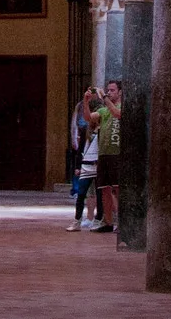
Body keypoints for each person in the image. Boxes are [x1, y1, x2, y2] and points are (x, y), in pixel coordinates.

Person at [87, 80, 121, 233]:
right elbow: (88, 118)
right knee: (104, 188)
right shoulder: (103, 110)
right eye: (108, 90)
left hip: (117, 153)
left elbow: (117, 114)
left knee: (117, 188)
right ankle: (108, 222)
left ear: (120, 92)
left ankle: (122, 222)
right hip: (103, 153)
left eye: (112, 90)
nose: (109, 93)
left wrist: (105, 99)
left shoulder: (121, 107)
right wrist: (85, 101)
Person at [66, 93, 101, 231]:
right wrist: (77, 166)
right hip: (86, 165)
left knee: (99, 194)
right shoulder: (84, 129)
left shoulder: (102, 130)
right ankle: (77, 220)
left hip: (98, 165)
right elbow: (80, 149)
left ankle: (98, 220)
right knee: (81, 194)